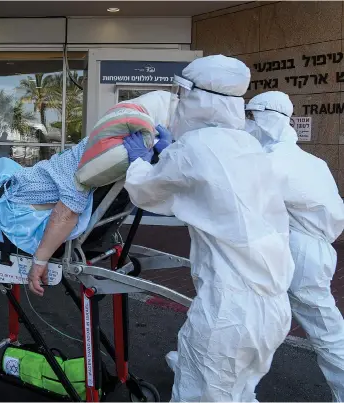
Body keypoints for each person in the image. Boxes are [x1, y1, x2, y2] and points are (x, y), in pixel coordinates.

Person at [122, 55, 295, 402]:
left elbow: (145, 191)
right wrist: (173, 152)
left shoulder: (196, 148)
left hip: (229, 312)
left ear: (201, 98)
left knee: (200, 395)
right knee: (242, 391)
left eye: (184, 94)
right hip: (274, 308)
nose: (180, 102)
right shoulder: (248, 145)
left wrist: (141, 162)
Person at [245, 91, 344, 402]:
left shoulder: (273, 161)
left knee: (252, 319)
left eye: (251, 117)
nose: (247, 125)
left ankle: (230, 390)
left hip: (295, 250)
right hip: (315, 250)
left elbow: (234, 196)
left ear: (265, 119)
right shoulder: (312, 161)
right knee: (319, 327)